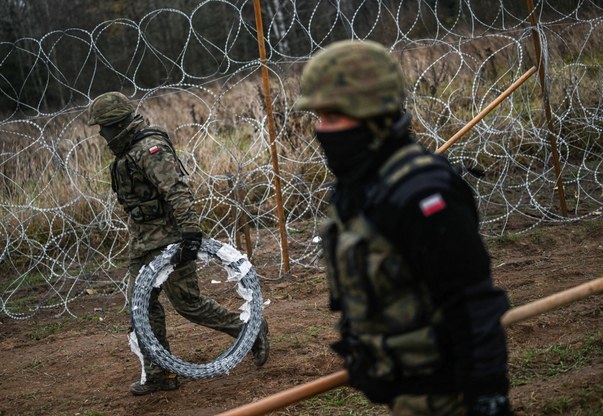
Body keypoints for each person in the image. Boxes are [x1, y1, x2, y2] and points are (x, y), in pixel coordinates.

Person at [296, 40, 512, 415]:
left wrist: (488, 397)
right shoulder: (360, 190)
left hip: (449, 397)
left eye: (331, 118)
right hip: (405, 396)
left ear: (371, 114)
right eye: (318, 117)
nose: (321, 130)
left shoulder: (423, 194)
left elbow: (472, 305)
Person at [87, 92, 269, 396]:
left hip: (171, 241)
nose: (101, 134)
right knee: (140, 308)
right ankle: (159, 374)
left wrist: (190, 234)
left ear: (117, 125)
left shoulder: (149, 150)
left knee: (188, 304)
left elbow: (177, 191)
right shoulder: (127, 153)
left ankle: (249, 330)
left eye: (103, 127)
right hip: (143, 243)